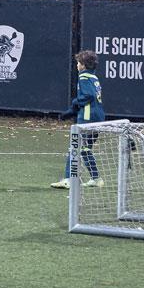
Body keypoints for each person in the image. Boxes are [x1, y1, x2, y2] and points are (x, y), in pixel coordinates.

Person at [51, 50, 106, 189]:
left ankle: (69, 179)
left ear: (83, 65)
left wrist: (75, 102)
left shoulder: (84, 77)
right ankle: (96, 178)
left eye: (78, 63)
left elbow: (88, 96)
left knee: (73, 147)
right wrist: (70, 112)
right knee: (85, 149)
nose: (77, 65)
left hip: (87, 119)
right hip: (98, 116)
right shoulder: (94, 78)